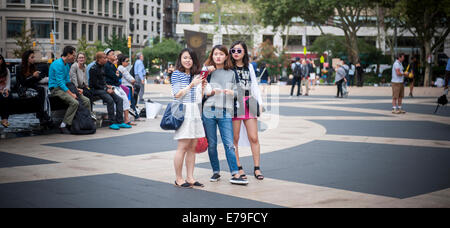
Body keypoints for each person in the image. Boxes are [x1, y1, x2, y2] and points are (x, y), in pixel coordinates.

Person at [203, 45, 248, 185]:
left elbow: (239, 92)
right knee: (212, 144)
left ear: (226, 56)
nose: (218, 57)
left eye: (221, 54)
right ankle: (216, 171)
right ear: (212, 56)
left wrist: (231, 93)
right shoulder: (208, 71)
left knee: (229, 144)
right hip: (209, 110)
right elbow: (199, 85)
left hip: (225, 111)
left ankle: (235, 173)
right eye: (215, 54)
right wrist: (206, 71)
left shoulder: (232, 73)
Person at [229, 41, 264, 181]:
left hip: (249, 102)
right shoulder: (228, 67)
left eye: (239, 50)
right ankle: (238, 167)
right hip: (235, 104)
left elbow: (254, 85)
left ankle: (257, 168)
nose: (236, 53)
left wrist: (260, 103)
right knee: (235, 139)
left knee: (254, 137)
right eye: (233, 50)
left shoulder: (249, 67)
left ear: (244, 52)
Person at [171, 48, 206, 188]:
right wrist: (192, 85)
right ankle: (179, 178)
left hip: (195, 111)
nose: (187, 60)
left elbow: (199, 98)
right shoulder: (176, 74)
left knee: (192, 147)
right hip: (184, 111)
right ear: (180, 59)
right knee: (183, 147)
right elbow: (177, 94)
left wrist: (202, 87)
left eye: (190, 58)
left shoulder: (195, 75)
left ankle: (190, 177)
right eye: (185, 57)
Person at [49, 46, 92, 134]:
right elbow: (60, 82)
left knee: (86, 101)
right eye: (73, 55)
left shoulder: (67, 64)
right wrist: (71, 94)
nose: (74, 57)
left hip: (65, 87)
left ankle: (86, 122)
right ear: (68, 54)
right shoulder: (58, 64)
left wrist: (76, 90)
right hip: (56, 89)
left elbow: (68, 80)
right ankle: (64, 125)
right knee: (74, 102)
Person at [89, 52, 130, 130]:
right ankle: (112, 122)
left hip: (103, 88)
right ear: (99, 59)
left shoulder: (103, 66)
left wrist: (107, 86)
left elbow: (104, 80)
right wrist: (106, 88)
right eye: (104, 58)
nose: (106, 59)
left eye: (106, 58)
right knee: (110, 100)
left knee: (119, 99)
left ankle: (120, 121)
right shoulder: (93, 69)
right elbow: (94, 84)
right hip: (95, 90)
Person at [16, 50, 53, 126]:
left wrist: (37, 76)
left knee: (43, 90)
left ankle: (43, 114)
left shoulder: (33, 67)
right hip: (24, 88)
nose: (34, 59)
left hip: (32, 86)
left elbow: (34, 81)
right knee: (40, 93)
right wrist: (33, 76)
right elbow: (23, 83)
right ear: (27, 58)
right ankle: (43, 115)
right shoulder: (20, 68)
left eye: (34, 57)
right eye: (32, 57)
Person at [104, 49, 133, 126]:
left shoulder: (112, 65)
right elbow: (114, 76)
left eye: (114, 54)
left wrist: (117, 75)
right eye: (112, 54)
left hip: (117, 86)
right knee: (119, 99)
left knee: (126, 99)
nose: (114, 55)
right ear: (107, 56)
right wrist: (117, 75)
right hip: (111, 86)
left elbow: (119, 75)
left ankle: (124, 120)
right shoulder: (106, 65)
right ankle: (116, 121)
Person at [117, 54, 139, 122]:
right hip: (126, 87)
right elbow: (131, 79)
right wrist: (133, 81)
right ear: (122, 62)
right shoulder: (122, 68)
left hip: (124, 86)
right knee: (131, 101)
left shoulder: (121, 68)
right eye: (126, 61)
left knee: (132, 100)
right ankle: (135, 115)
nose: (128, 62)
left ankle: (134, 115)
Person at [0, 54, 12, 128]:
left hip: (4, 90)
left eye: (0, 59)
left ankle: (5, 119)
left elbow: (8, 82)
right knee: (1, 98)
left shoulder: (6, 70)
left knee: (8, 97)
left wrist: (6, 90)